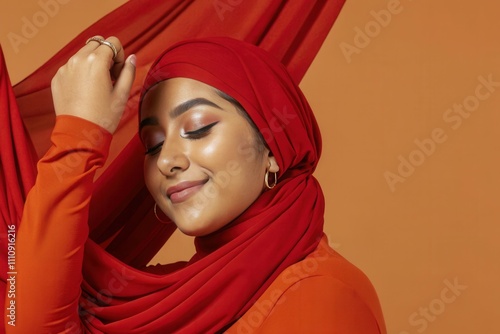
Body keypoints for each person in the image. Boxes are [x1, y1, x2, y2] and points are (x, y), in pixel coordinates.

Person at [8, 35, 386, 333]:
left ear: (274, 145)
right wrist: (78, 139)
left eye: (199, 128)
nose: (168, 161)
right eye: (153, 145)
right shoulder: (162, 304)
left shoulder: (320, 294)